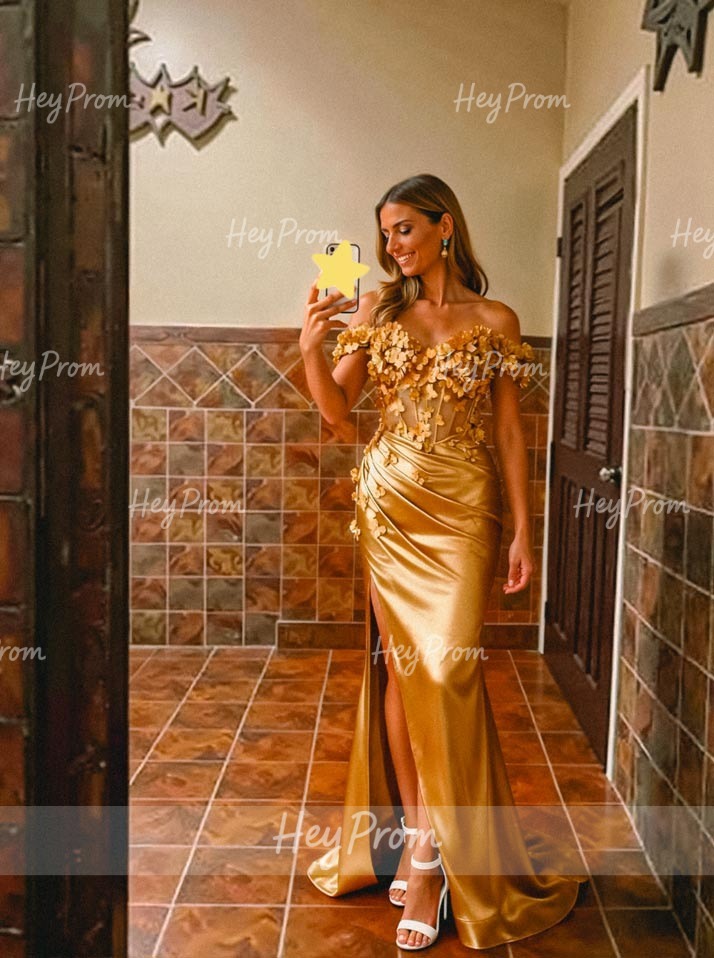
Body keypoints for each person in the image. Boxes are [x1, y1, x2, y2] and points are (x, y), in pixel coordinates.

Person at [299, 174, 587, 951]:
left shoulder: (496, 319)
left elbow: (511, 432)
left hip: (465, 509)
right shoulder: (378, 310)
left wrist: (524, 532)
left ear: (444, 226)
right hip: (390, 503)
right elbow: (336, 413)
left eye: (404, 229)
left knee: (450, 672)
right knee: (403, 672)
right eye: (385, 233)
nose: (392, 245)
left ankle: (432, 854)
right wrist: (309, 346)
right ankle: (422, 850)